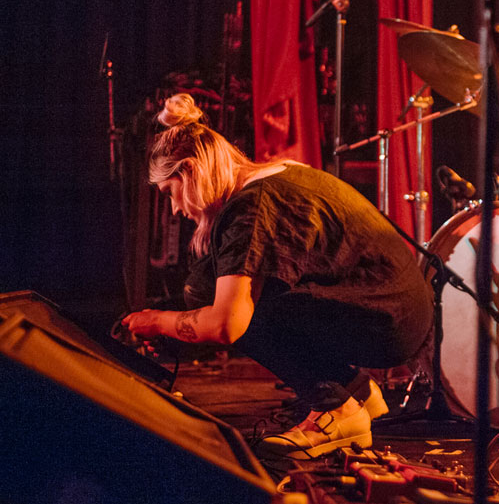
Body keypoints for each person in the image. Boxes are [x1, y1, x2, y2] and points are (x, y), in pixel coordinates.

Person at [122, 93, 433, 459]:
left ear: (189, 171)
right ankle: (356, 389)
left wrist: (159, 322)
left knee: (226, 305)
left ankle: (335, 408)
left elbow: (225, 325)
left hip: (388, 323)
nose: (174, 208)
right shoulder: (267, 178)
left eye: (170, 192)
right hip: (394, 309)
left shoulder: (251, 209)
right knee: (212, 286)